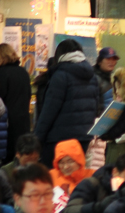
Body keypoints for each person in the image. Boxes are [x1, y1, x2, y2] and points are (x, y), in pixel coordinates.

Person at [34, 39, 99, 167]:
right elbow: (95, 108)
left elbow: (49, 112)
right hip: (83, 140)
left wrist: (37, 139)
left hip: (59, 142)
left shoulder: (60, 75)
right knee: (75, 178)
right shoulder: (92, 76)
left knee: (56, 181)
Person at [0, 44, 31, 163]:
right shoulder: (23, 72)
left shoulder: (2, 73)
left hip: (8, 122)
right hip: (24, 119)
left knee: (8, 158)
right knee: (21, 155)